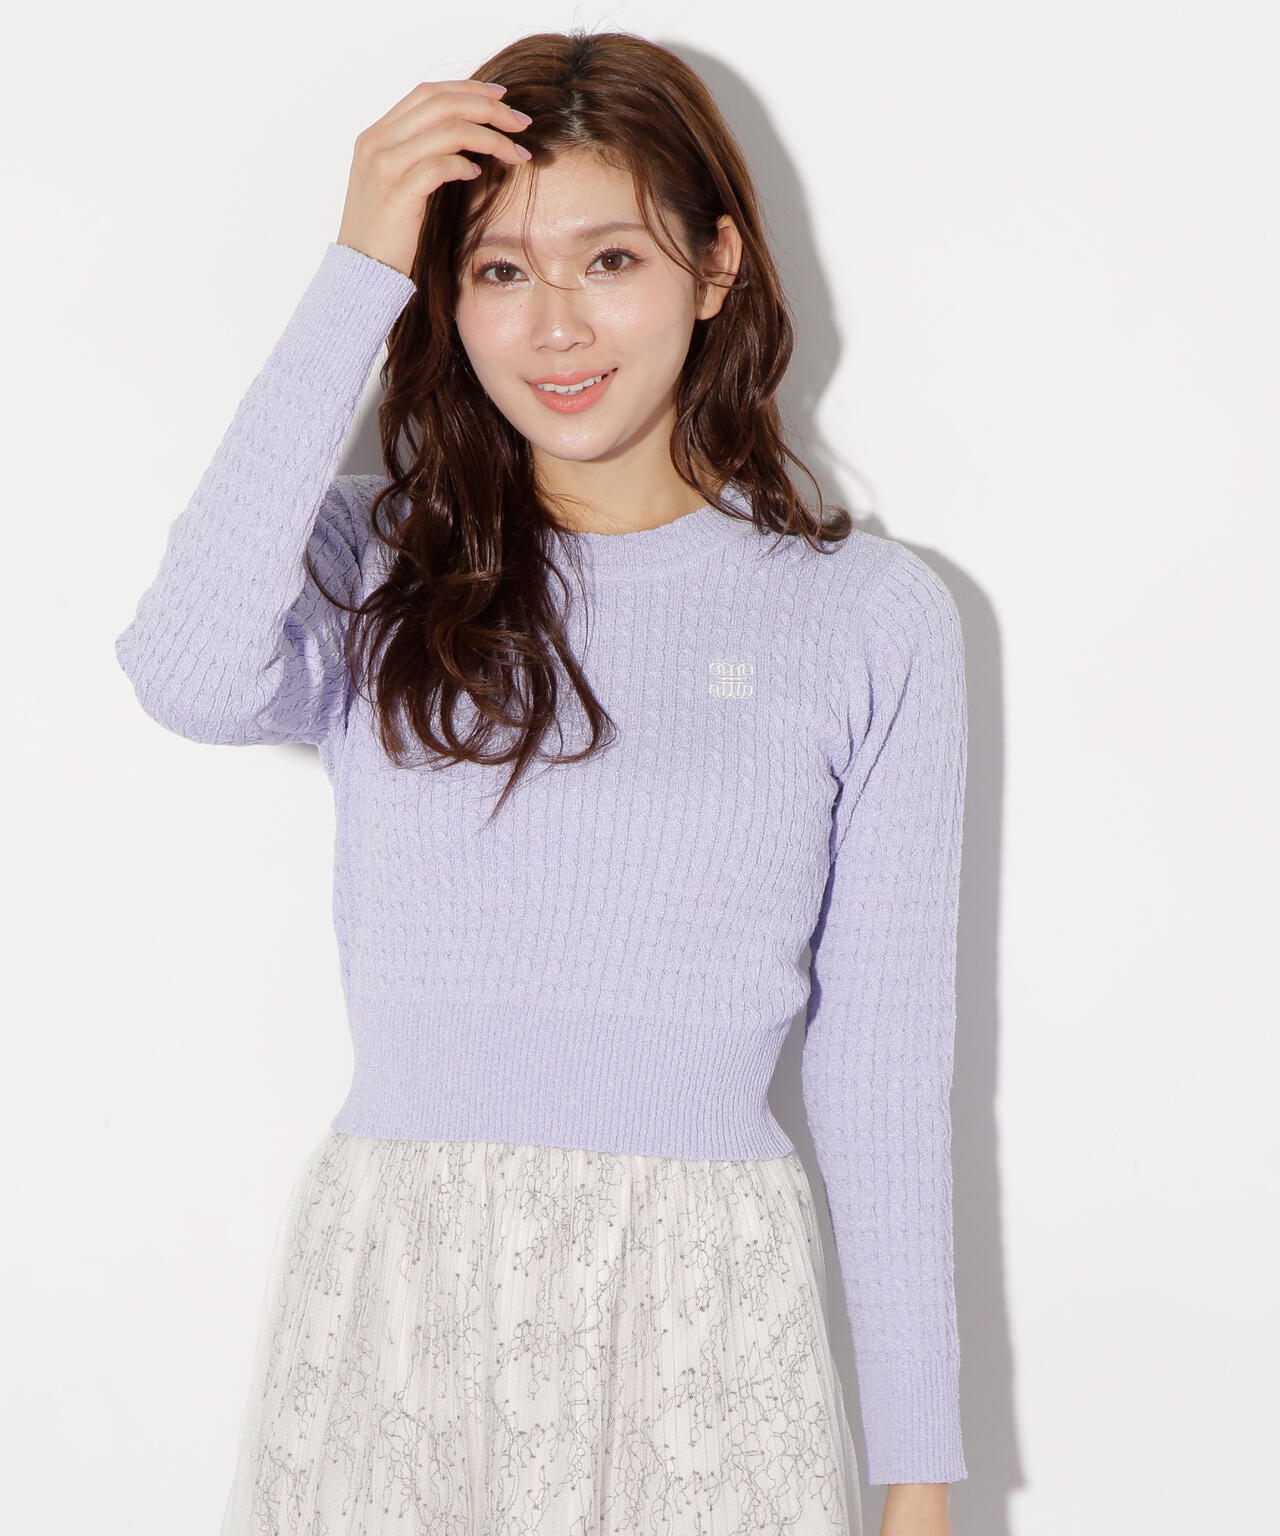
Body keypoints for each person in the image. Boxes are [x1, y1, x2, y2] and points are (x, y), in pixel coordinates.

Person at [113, 28, 969, 1536]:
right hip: (408, 1304)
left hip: (704, 1323)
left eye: (609, 260)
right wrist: (358, 268)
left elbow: (882, 1070)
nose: (555, 325)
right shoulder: (382, 562)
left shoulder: (866, 617)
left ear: (716, 265)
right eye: (498, 270)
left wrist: (918, 1482)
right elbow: (184, 670)